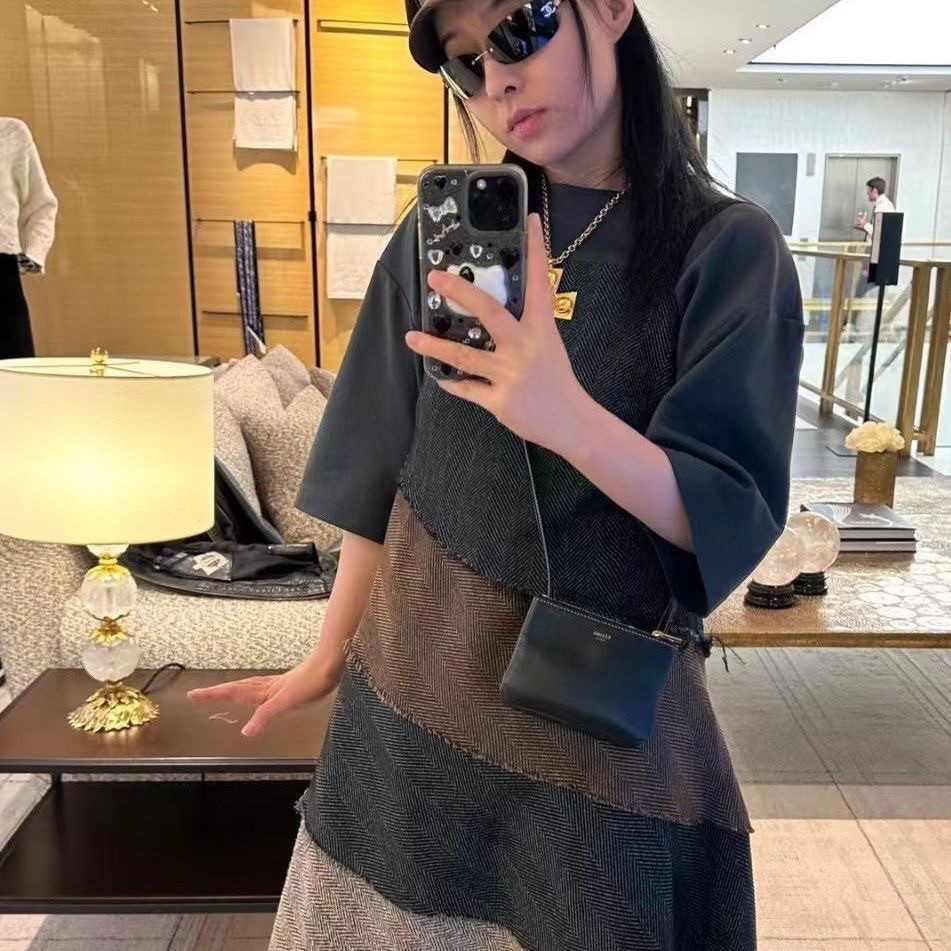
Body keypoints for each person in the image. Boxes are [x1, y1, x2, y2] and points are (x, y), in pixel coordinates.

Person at [189, 1, 804, 947]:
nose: (497, 80)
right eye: (465, 63)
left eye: (519, 30)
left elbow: (724, 509)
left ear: (611, 8)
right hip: (409, 704)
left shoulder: (726, 249)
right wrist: (329, 654)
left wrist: (563, 414)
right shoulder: (435, 240)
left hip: (592, 735)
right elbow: (377, 472)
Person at [0, 117, 58, 358]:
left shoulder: (10, 133)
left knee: (11, 370)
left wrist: (33, 254)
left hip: (2, 276)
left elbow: (42, 205)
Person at [855, 176, 896, 241]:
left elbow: (880, 232)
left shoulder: (884, 206)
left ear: (875, 191)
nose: (867, 193)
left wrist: (865, 224)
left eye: (868, 190)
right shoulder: (881, 204)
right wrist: (864, 226)